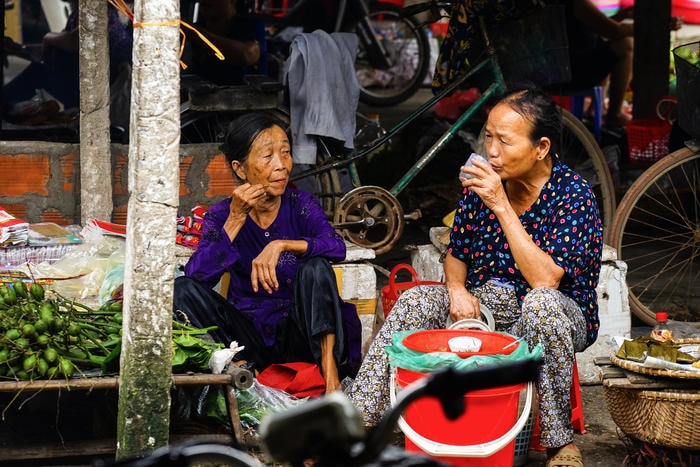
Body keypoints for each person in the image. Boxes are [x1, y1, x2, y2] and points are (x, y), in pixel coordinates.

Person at [347, 88, 603, 467]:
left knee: (541, 304)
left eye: (505, 140)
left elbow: (545, 281)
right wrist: (455, 289)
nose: (492, 151)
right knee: (416, 299)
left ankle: (558, 442)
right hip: (489, 307)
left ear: (541, 148)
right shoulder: (480, 187)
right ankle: (361, 420)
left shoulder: (573, 197)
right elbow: (457, 256)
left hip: (558, 313)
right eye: (488, 136)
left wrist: (500, 205)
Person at [173, 112, 361, 394]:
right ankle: (245, 375)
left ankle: (330, 377)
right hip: (251, 340)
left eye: (285, 153)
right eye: (268, 156)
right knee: (182, 290)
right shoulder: (222, 214)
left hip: (302, 337)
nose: (281, 166)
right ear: (240, 169)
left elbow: (336, 246)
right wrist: (236, 219)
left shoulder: (300, 204)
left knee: (316, 266)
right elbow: (197, 278)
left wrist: (282, 245)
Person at [2, 0, 132, 114]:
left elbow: (74, 41)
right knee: (40, 72)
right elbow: (52, 50)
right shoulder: (76, 14)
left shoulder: (99, 8)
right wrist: (17, 49)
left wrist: (48, 37)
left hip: (107, 88)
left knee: (38, 73)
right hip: (84, 81)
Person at [182, 0, 267, 86]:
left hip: (244, 96)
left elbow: (246, 55)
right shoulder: (195, 29)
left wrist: (195, 33)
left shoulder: (251, 26)